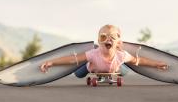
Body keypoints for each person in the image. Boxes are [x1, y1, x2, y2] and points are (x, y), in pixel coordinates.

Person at [40, 24, 168, 77]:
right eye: (103, 37)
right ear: (99, 40)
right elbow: (73, 59)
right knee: (78, 74)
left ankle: (116, 67)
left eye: (112, 37)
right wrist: (51, 62)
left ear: (118, 42)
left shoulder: (122, 55)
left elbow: (138, 61)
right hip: (91, 66)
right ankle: (89, 63)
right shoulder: (92, 54)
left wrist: (157, 64)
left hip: (114, 65)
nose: (108, 39)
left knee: (124, 72)